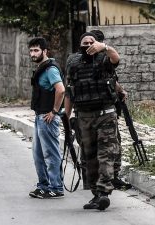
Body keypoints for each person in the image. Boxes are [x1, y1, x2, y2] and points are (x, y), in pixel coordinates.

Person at [65, 32, 121, 210]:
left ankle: (104, 192)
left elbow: (116, 58)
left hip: (105, 113)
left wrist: (105, 47)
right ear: (79, 45)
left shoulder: (104, 57)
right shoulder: (73, 62)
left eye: (91, 42)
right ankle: (96, 194)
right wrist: (66, 116)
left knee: (106, 153)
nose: (88, 44)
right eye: (84, 42)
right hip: (83, 116)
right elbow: (69, 90)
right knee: (89, 157)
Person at [89, 29, 132, 190]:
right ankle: (111, 177)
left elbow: (112, 80)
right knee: (113, 145)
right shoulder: (101, 59)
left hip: (98, 111)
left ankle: (105, 177)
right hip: (105, 110)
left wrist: (120, 91)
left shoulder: (85, 61)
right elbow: (110, 79)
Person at [28, 37, 65, 199]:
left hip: (47, 118)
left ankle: (56, 187)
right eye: (31, 50)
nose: (33, 53)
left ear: (45, 51)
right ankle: (43, 185)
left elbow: (61, 90)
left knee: (50, 153)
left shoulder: (50, 69)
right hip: (39, 116)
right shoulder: (41, 68)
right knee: (38, 154)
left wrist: (54, 111)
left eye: (36, 50)